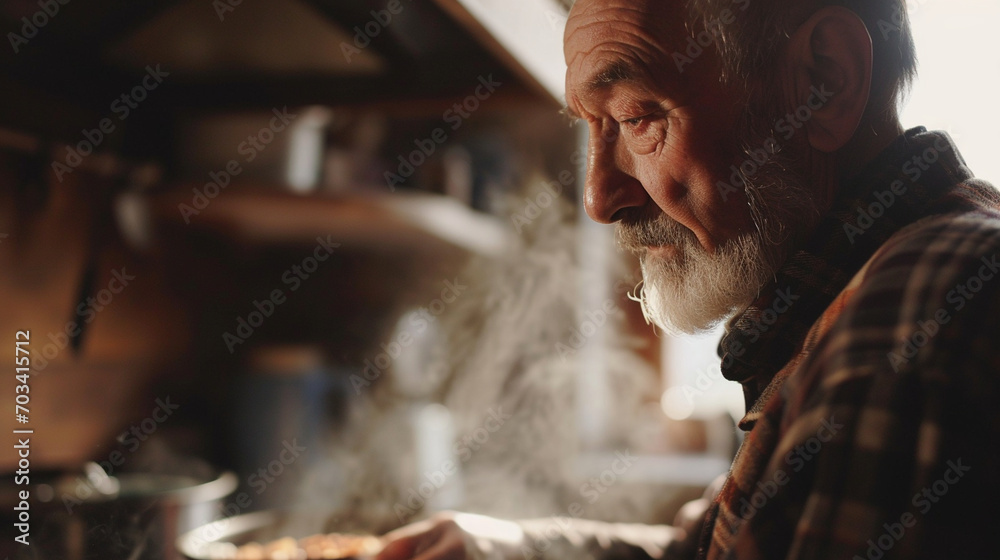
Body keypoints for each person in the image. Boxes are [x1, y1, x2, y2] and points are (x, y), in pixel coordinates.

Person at [376, 0, 1000, 558]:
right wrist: (504, 550)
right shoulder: (855, 299)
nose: (598, 197)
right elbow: (704, 549)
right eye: (590, 125)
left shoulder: (915, 312)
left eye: (637, 116)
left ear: (824, 81)